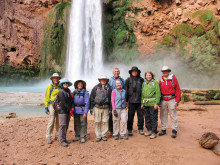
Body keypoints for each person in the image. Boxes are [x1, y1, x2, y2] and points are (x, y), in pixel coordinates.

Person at [159, 66, 181, 138]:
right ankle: (163, 129)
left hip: (171, 99)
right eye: (163, 71)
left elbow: (177, 89)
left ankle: (174, 130)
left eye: (166, 71)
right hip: (163, 99)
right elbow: (158, 91)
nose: (165, 72)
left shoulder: (173, 79)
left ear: (168, 71)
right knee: (163, 115)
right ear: (162, 72)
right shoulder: (160, 80)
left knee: (173, 114)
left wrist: (177, 100)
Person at [90, 75, 112, 142]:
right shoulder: (95, 88)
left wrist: (110, 109)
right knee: (97, 121)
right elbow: (92, 98)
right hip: (97, 107)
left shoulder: (109, 88)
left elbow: (111, 99)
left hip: (106, 107)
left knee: (105, 121)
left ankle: (103, 135)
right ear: (100, 80)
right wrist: (91, 108)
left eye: (104, 79)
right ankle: (98, 135)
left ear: (106, 80)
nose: (103, 80)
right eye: (102, 79)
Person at [125, 66, 144, 136]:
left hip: (139, 101)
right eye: (133, 71)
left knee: (141, 116)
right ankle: (130, 129)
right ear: (131, 72)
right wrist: (126, 101)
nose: (134, 72)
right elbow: (126, 91)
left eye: (136, 71)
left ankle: (140, 128)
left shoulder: (141, 80)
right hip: (131, 101)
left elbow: (144, 91)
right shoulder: (128, 80)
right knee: (130, 116)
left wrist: (143, 101)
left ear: (138, 72)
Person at [141, 71, 161, 139]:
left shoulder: (155, 83)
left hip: (152, 103)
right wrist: (142, 103)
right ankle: (149, 130)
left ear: (152, 76)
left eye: (149, 75)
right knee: (147, 117)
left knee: (153, 117)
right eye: (147, 75)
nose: (148, 76)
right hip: (146, 103)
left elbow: (158, 93)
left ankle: (154, 132)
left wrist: (156, 103)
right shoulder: (144, 83)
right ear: (145, 76)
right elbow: (142, 94)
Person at [44, 73, 61, 144]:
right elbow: (46, 97)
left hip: (59, 105)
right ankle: (48, 136)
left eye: (57, 78)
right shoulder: (49, 87)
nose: (56, 79)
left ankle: (57, 135)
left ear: (58, 79)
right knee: (51, 120)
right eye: (54, 78)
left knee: (58, 121)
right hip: (51, 105)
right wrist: (46, 106)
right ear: (52, 79)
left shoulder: (61, 86)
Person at [108, 68, 125, 135]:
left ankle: (121, 131)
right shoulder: (110, 80)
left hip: (120, 100)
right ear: (113, 72)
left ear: (119, 72)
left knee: (120, 117)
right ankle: (112, 130)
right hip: (112, 99)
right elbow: (108, 89)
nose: (116, 72)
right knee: (111, 115)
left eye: (118, 71)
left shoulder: (122, 80)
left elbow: (124, 89)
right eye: (115, 71)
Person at [57, 78, 73, 147]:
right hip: (62, 111)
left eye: (67, 83)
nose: (66, 84)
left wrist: (71, 108)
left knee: (65, 125)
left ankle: (64, 139)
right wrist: (70, 109)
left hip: (67, 111)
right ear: (62, 84)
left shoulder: (68, 91)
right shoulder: (61, 92)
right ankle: (61, 140)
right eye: (64, 83)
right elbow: (63, 102)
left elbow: (71, 100)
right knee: (62, 125)